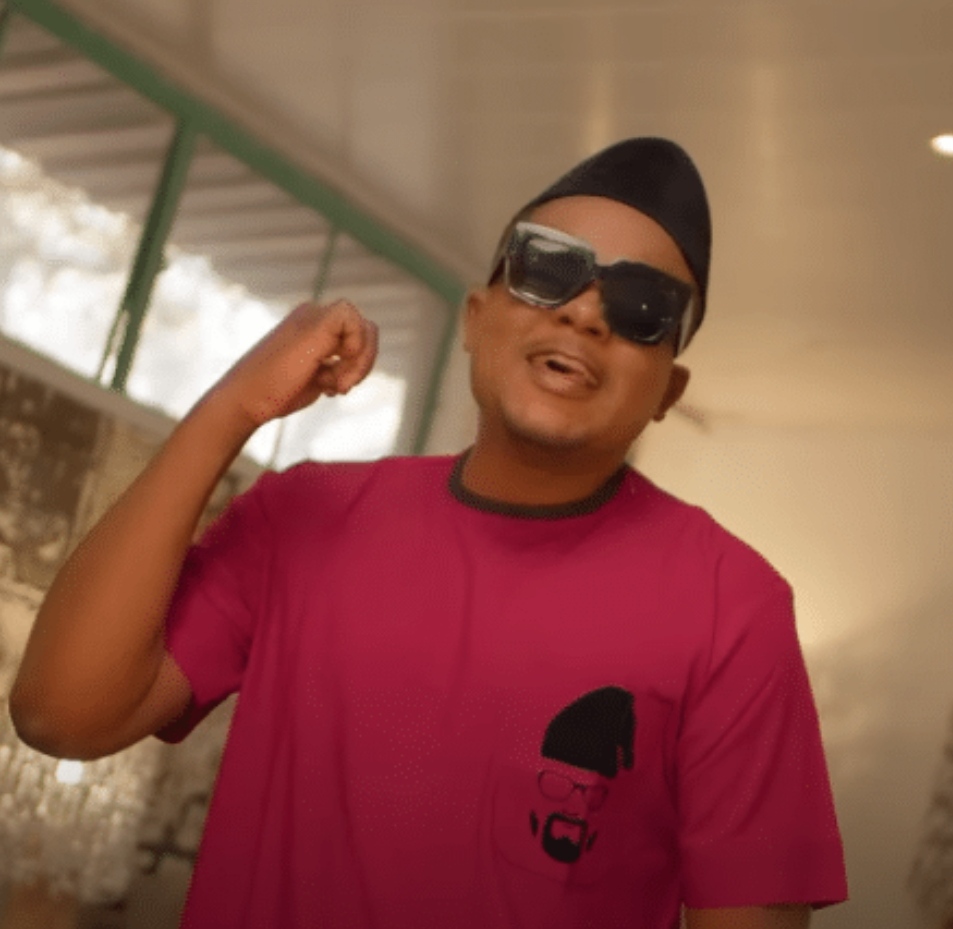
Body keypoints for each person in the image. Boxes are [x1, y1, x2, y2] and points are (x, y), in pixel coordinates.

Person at [10, 138, 848, 928]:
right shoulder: (301, 517)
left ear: (668, 389)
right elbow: (62, 715)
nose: (586, 313)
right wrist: (233, 407)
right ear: (476, 317)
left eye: (641, 306)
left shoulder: (729, 609)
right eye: (548, 268)